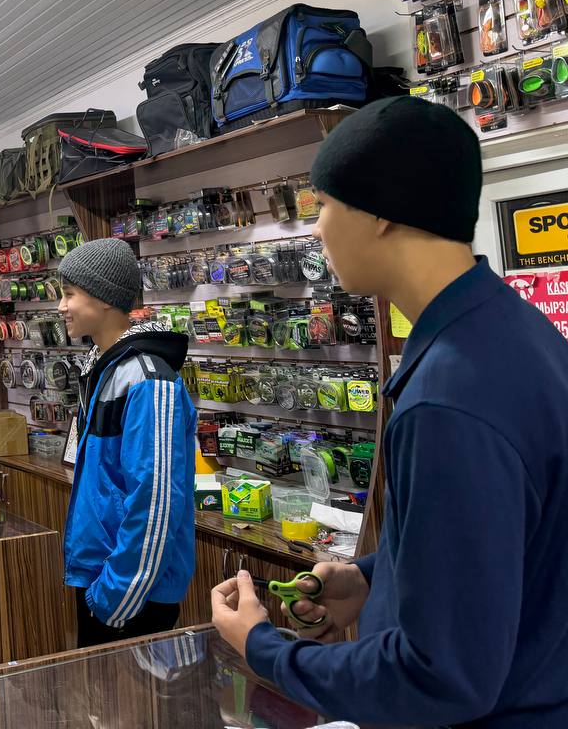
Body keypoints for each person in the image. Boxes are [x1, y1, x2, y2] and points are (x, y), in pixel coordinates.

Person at [211, 97, 568, 728]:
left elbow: (439, 677)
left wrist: (265, 649)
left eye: (324, 204)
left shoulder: (449, 399)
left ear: (380, 213)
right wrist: (376, 579)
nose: (316, 228)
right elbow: (512, 548)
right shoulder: (514, 333)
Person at [57, 237, 197, 647]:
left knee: (130, 711)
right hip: (103, 579)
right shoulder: (106, 370)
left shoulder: (148, 380)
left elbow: (155, 502)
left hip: (131, 595)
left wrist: (116, 596)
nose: (61, 306)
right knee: (102, 710)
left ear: (102, 299)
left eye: (69, 294)